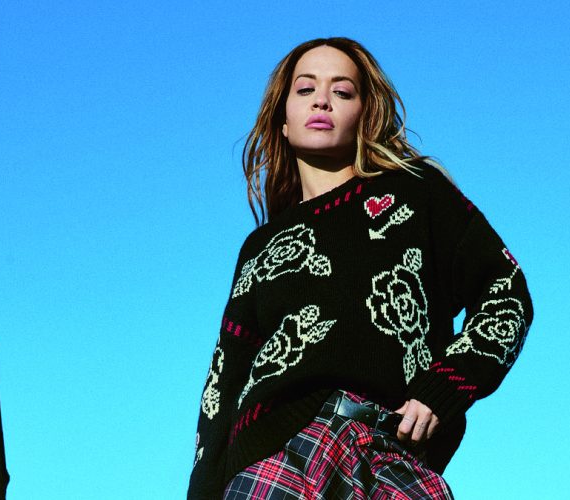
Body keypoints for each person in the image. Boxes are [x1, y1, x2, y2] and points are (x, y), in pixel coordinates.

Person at [188, 37, 533, 499]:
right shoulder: (261, 249)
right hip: (275, 460)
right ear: (283, 121)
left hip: (393, 455)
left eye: (342, 91)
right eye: (305, 89)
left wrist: (445, 388)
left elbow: (505, 291)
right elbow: (221, 390)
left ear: (364, 115)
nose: (322, 101)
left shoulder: (417, 194)